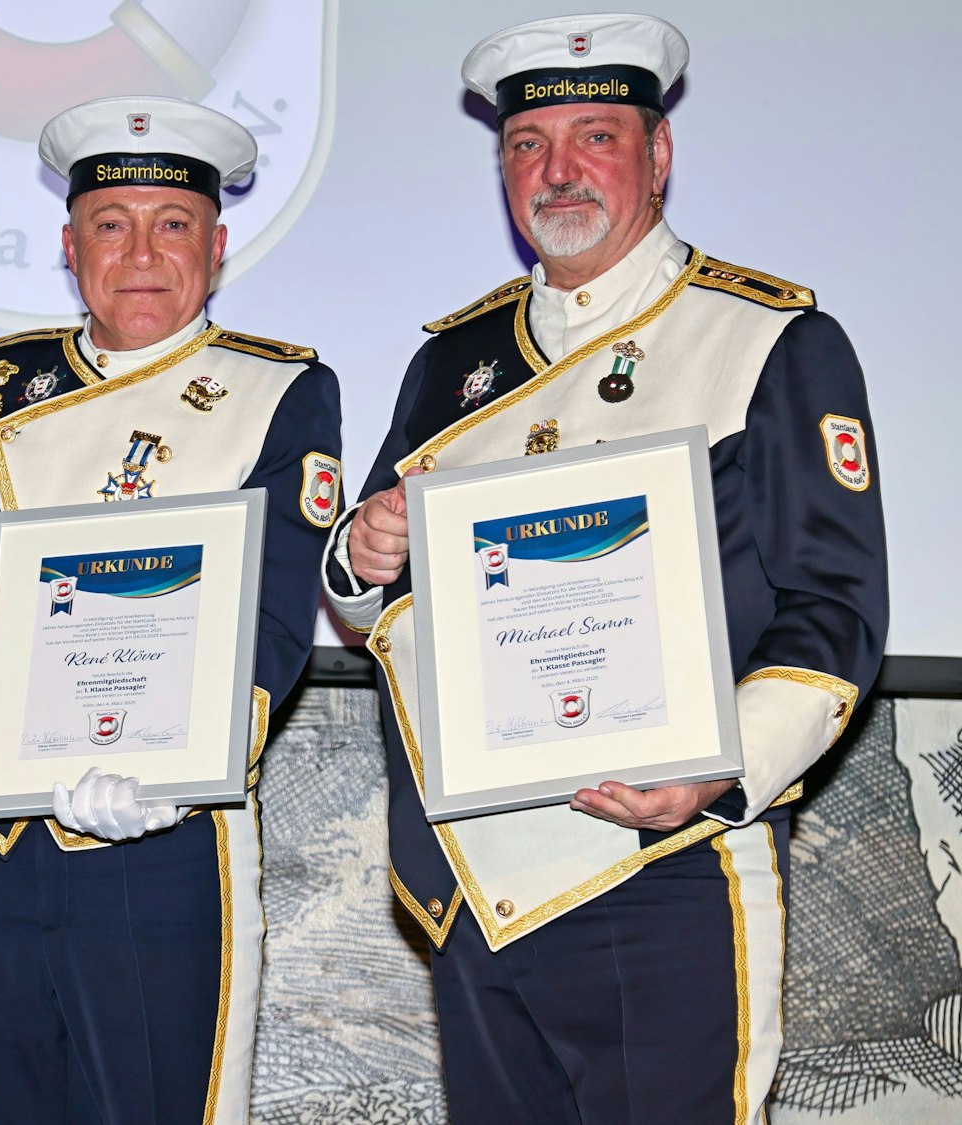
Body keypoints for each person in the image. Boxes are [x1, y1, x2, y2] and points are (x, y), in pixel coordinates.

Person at [322, 15, 888, 1123]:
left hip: (665, 858)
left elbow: (834, 607)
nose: (558, 170)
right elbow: (380, 591)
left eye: (595, 135)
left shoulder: (761, 339)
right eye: (527, 142)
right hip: (475, 872)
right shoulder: (451, 364)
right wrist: (359, 551)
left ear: (657, 154)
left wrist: (716, 772)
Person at [0, 96, 342, 1122]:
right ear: (69, 246)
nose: (139, 254)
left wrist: (175, 769)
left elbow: (269, 618)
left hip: (165, 842)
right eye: (110, 225)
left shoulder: (275, 392)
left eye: (170, 224)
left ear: (213, 248)